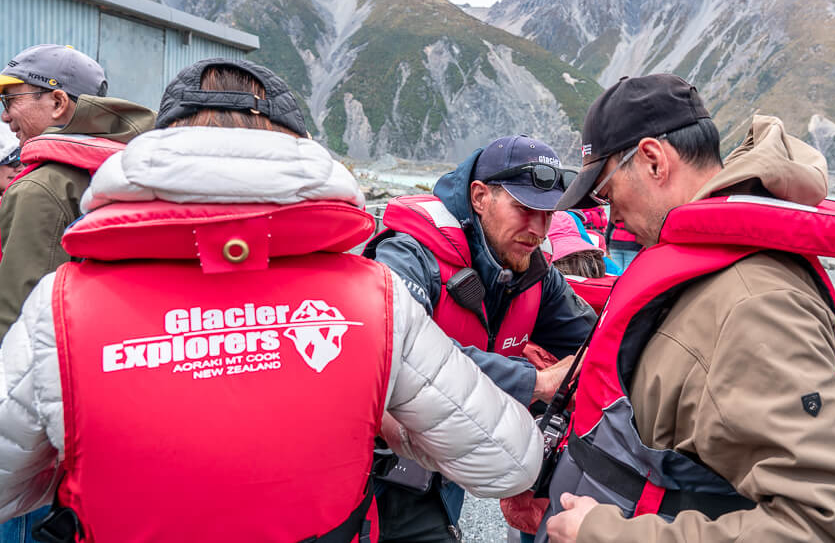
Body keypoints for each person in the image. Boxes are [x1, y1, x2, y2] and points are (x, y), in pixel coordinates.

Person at [0, 58, 543, 541]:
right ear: (298, 151)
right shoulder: (375, 299)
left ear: (157, 149)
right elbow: (510, 462)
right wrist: (389, 424)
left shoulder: (62, 305)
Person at [538, 74, 835, 542]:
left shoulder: (754, 304)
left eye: (605, 191)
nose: (609, 215)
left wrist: (605, 534)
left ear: (652, 161)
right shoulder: (703, 266)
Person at [365, 135, 596, 542]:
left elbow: (595, 338)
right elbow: (391, 349)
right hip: (377, 470)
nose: (539, 229)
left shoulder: (534, 272)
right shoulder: (410, 254)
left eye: (549, 214)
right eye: (525, 209)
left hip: (446, 469)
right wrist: (536, 383)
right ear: (479, 196)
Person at [0, 44, 155, 339]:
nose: (5, 117)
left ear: (58, 102)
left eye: (10, 101)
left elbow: (20, 321)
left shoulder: (39, 188)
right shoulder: (129, 166)